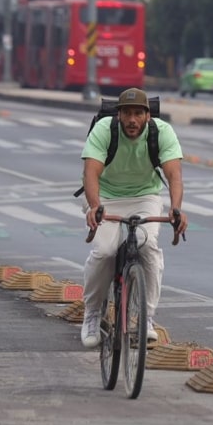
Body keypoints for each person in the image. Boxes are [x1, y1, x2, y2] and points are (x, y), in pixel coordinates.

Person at [79, 88, 187, 349]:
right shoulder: (105, 130)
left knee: (148, 247)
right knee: (105, 252)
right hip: (105, 196)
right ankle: (92, 314)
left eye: (138, 113)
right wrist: (95, 206)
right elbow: (90, 173)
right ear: (118, 115)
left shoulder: (161, 132)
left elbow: (174, 176)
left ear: (148, 116)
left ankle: (146, 318)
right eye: (127, 113)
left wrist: (175, 209)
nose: (132, 120)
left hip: (144, 196)